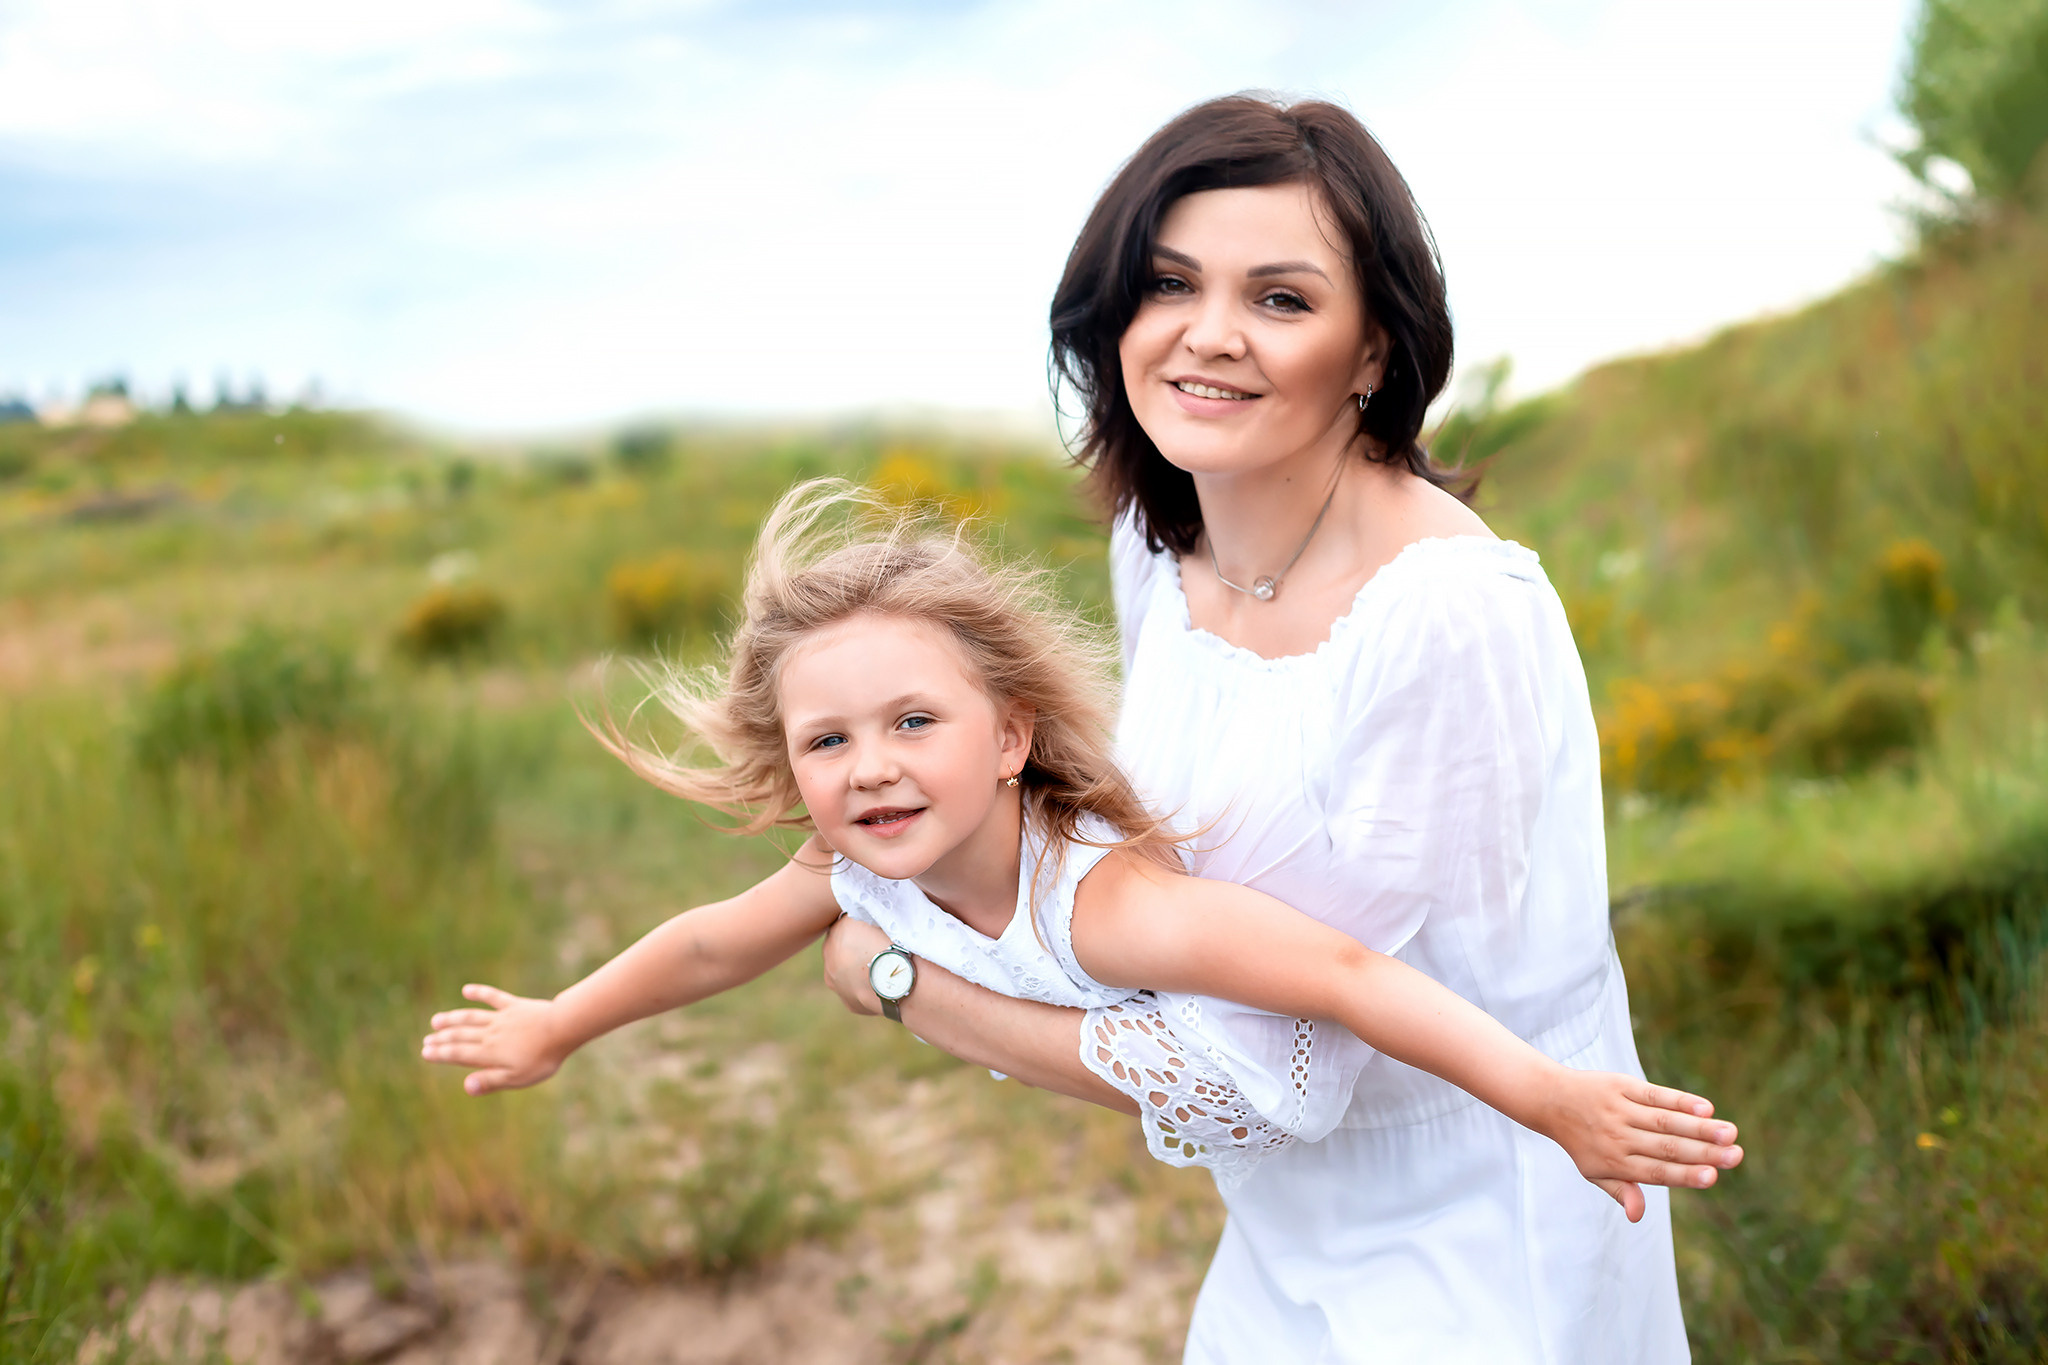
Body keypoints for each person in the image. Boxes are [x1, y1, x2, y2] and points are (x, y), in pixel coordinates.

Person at [817, 95, 1704, 1361]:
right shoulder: (1156, 548)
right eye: (1168, 283)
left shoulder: (1444, 617)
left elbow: (1264, 1071)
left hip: (1476, 1222)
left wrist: (901, 978)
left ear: (1372, 352)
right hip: (1287, 1220)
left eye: (1279, 299)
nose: (1208, 335)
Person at [419, 482, 1739, 1234]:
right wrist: (560, 1023)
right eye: (827, 740)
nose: (870, 766)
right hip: (1219, 1127)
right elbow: (710, 942)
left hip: (1315, 1097)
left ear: (1010, 739)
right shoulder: (848, 866)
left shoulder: (1104, 902)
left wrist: (1546, 1097)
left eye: (913, 723)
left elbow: (1340, 974)